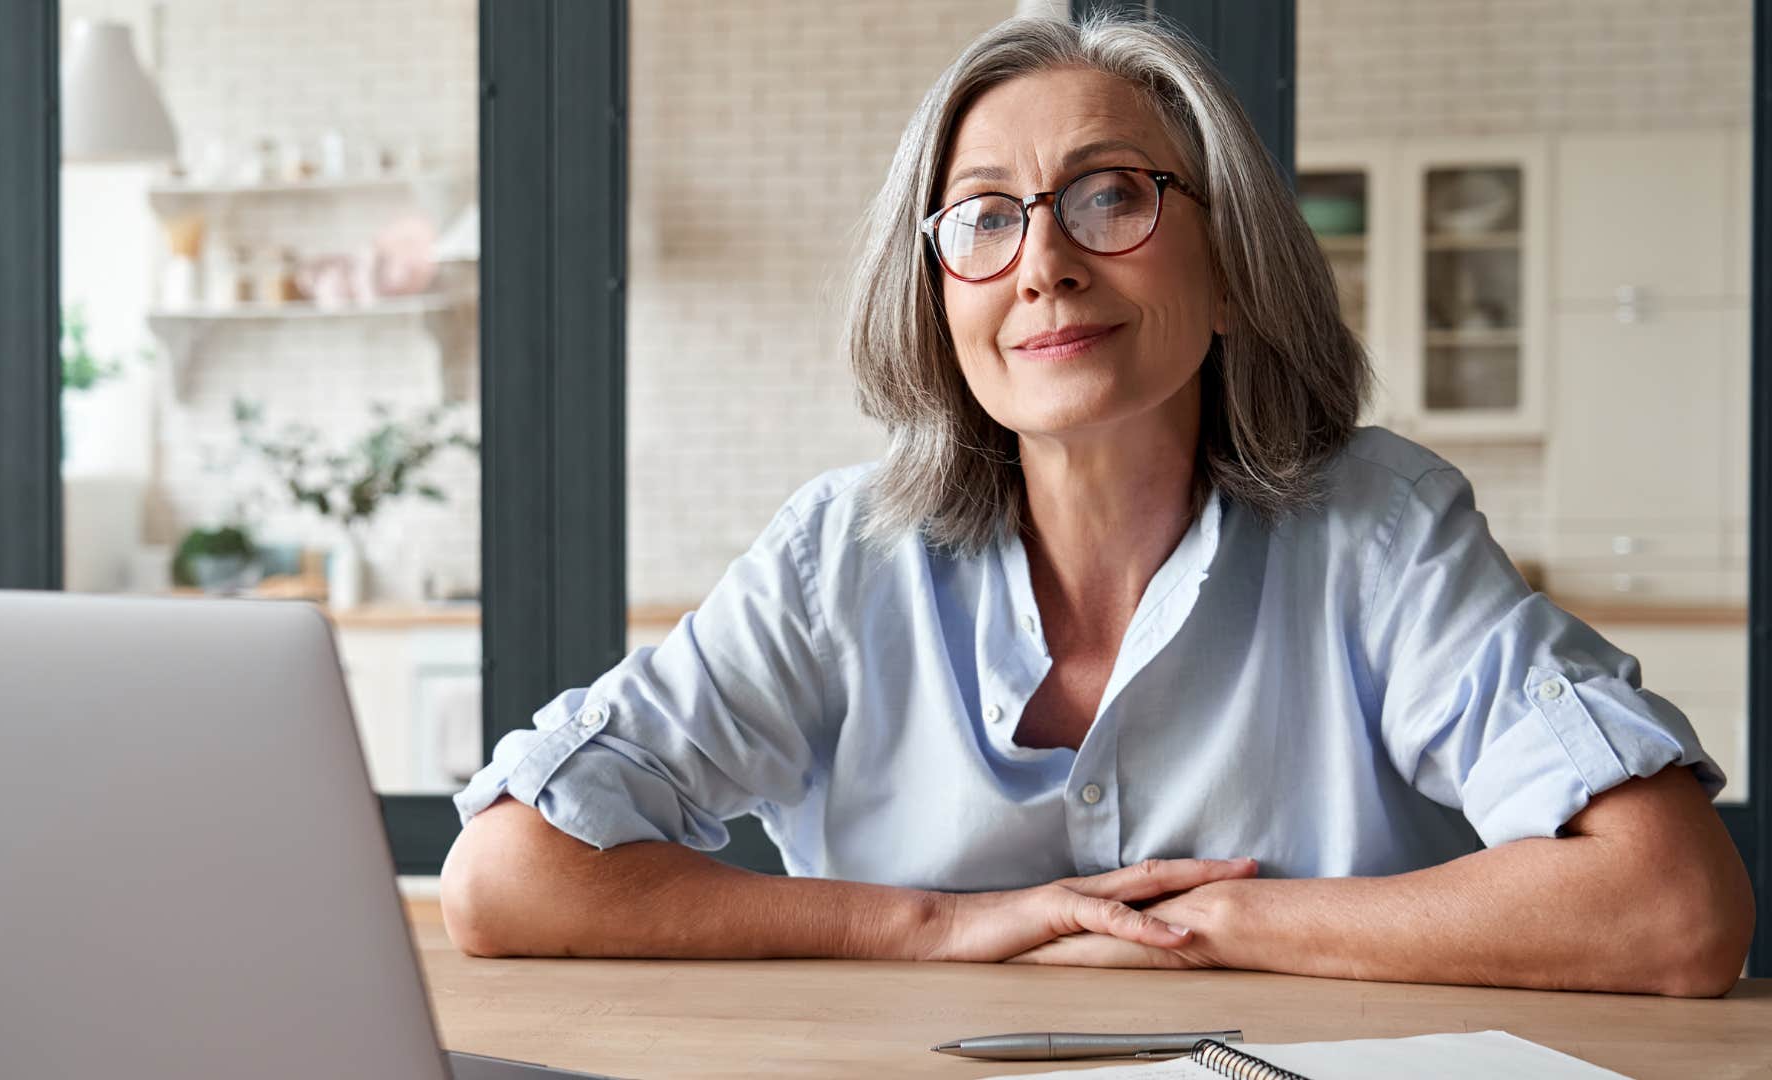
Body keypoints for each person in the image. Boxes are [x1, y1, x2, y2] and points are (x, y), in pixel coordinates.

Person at [439, 13, 1753, 996]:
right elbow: (509, 876)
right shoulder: (841, 554)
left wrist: (1207, 924)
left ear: (1231, 262)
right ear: (938, 294)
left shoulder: (1381, 528)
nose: (1046, 264)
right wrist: (940, 926)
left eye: (1110, 195)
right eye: (984, 219)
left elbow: (1673, 907)